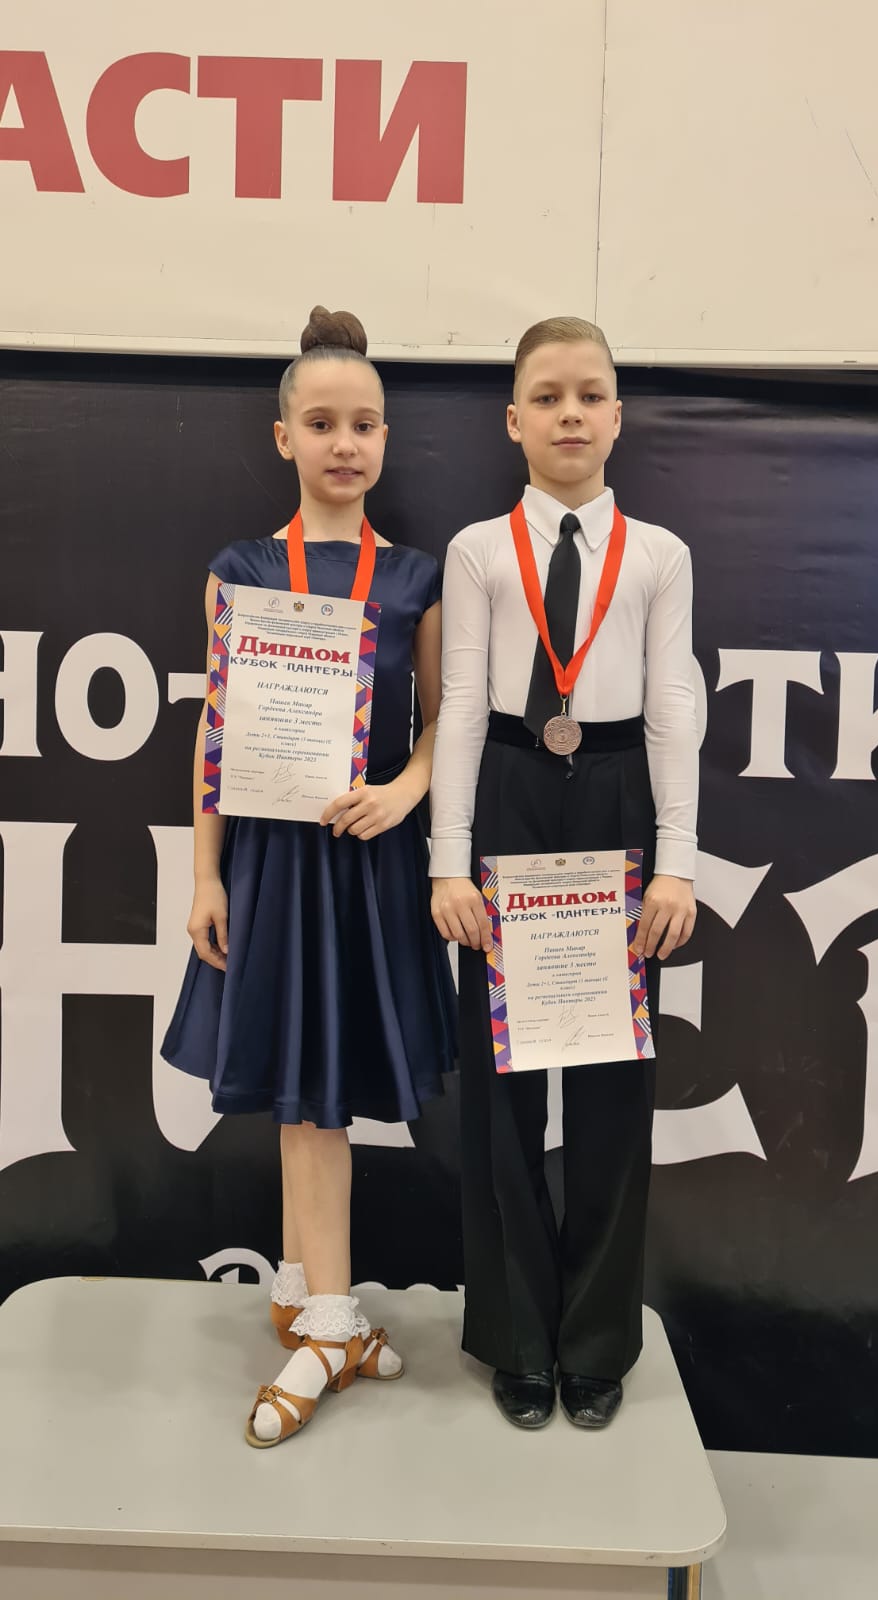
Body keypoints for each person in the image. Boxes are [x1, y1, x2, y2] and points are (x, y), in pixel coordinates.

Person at [163, 305, 456, 1448]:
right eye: (323, 422)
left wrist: (407, 789)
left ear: (386, 438)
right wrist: (206, 872)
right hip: (273, 862)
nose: (346, 442)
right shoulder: (238, 570)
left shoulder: (417, 577)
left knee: (323, 1092)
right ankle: (321, 1310)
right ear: (284, 435)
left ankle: (321, 1314)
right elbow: (217, 726)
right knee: (298, 1088)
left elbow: (446, 723)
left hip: (366, 857)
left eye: (365, 423)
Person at [430, 315, 698, 1430]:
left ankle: (594, 1340)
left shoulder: (661, 554)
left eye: (590, 395)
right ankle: (514, 1336)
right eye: (547, 397)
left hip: (619, 796)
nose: (570, 414)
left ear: (619, 416)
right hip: (510, 793)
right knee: (502, 1091)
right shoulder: (481, 549)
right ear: (513, 421)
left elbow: (676, 704)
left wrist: (676, 865)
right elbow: (456, 705)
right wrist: (449, 863)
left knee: (609, 1087)